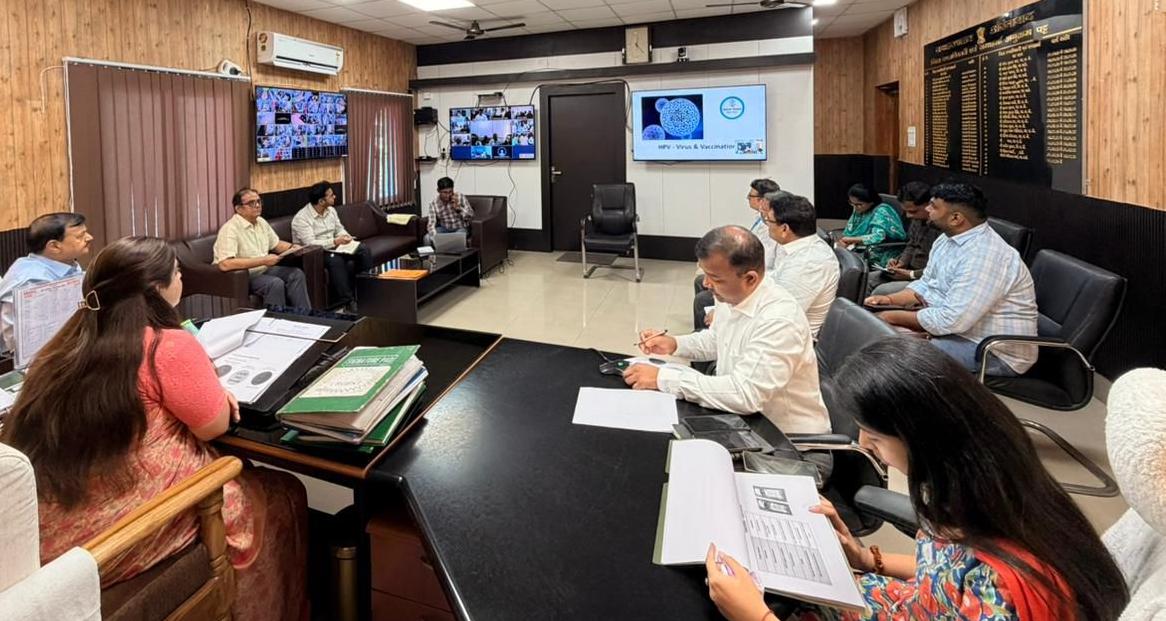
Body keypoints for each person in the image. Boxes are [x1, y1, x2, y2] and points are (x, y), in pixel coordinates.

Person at [704, 337, 1129, 621]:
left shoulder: (1004, 589)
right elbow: (944, 574)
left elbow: (971, 579)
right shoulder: (982, 495)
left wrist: (758, 618)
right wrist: (865, 559)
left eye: (874, 435)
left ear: (921, 438)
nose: (864, 444)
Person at [0, 237, 309, 621]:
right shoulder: (166, 345)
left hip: (47, 535)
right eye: (177, 273)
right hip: (116, 533)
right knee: (281, 492)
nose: (181, 278)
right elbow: (212, 426)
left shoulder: (62, 346)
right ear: (157, 289)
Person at [627, 226, 830, 436]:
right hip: (743, 419)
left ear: (750, 278)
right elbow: (717, 340)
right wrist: (675, 344)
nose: (706, 284)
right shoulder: (731, 295)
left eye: (715, 278)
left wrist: (663, 379)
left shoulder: (779, 320)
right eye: (706, 274)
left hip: (786, 438)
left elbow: (745, 394)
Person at [864, 182, 1038, 376]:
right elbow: (927, 284)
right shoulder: (946, 239)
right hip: (960, 332)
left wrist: (890, 316)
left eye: (933, 206)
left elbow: (951, 320)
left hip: (993, 351)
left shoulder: (984, 255)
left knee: (894, 353)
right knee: (875, 332)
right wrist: (889, 300)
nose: (927, 209)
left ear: (956, 218)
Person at [693, 179, 782, 327]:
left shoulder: (773, 230)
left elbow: (766, 263)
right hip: (750, 269)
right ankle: (705, 330)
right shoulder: (760, 220)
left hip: (757, 277)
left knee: (702, 299)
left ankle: (710, 328)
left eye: (750, 196)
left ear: (762, 201)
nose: (748, 198)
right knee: (700, 281)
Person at [0, 212, 92, 352]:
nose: (89, 238)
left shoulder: (66, 264)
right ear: (54, 246)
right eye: (80, 236)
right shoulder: (30, 282)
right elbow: (22, 346)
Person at [213, 187, 311, 309]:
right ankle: (276, 319)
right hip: (243, 276)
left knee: (296, 274)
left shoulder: (261, 222)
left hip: (262, 269)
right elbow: (225, 264)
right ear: (238, 209)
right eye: (251, 203)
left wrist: (292, 247)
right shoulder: (230, 229)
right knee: (274, 283)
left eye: (259, 201)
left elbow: (276, 244)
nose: (257, 205)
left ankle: (304, 315)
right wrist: (263, 260)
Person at [291, 181, 372, 309]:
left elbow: (339, 229)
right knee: (336, 261)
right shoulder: (301, 218)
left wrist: (346, 237)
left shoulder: (331, 210)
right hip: (315, 254)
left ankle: (366, 291)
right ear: (321, 201)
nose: (334, 197)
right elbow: (310, 244)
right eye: (331, 195)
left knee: (363, 249)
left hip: (335, 246)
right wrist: (334, 242)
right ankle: (348, 301)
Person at [867, 182, 940, 295]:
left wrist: (910, 274)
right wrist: (901, 262)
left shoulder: (943, 228)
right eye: (905, 211)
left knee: (881, 291)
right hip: (908, 270)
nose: (908, 216)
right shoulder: (917, 220)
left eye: (913, 211)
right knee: (865, 280)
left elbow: (939, 270)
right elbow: (912, 244)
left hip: (925, 278)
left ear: (930, 205)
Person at [836, 183, 906, 268]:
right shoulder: (858, 209)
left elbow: (878, 237)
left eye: (859, 204)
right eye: (852, 203)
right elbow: (850, 229)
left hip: (883, 249)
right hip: (862, 246)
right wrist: (844, 241)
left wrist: (851, 240)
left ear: (871, 202)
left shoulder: (881, 212)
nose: (855, 207)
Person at [427, 177, 474, 243]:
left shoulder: (460, 197)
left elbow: (471, 215)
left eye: (450, 192)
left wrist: (458, 208)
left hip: (460, 228)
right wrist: (435, 238)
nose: (448, 195)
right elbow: (431, 224)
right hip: (445, 229)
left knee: (457, 236)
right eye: (445, 192)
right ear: (438, 190)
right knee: (427, 238)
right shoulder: (434, 204)